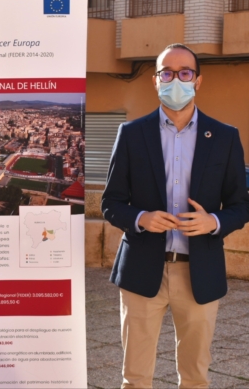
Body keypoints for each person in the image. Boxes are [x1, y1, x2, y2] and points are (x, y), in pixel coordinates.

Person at [101, 43, 249, 388]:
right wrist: (141, 218)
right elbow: (111, 201)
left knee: (195, 377)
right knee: (135, 377)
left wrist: (214, 222)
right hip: (141, 271)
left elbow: (241, 205)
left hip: (199, 272)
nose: (176, 81)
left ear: (198, 81)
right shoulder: (131, 134)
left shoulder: (225, 137)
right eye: (166, 73)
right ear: (155, 80)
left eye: (185, 73)